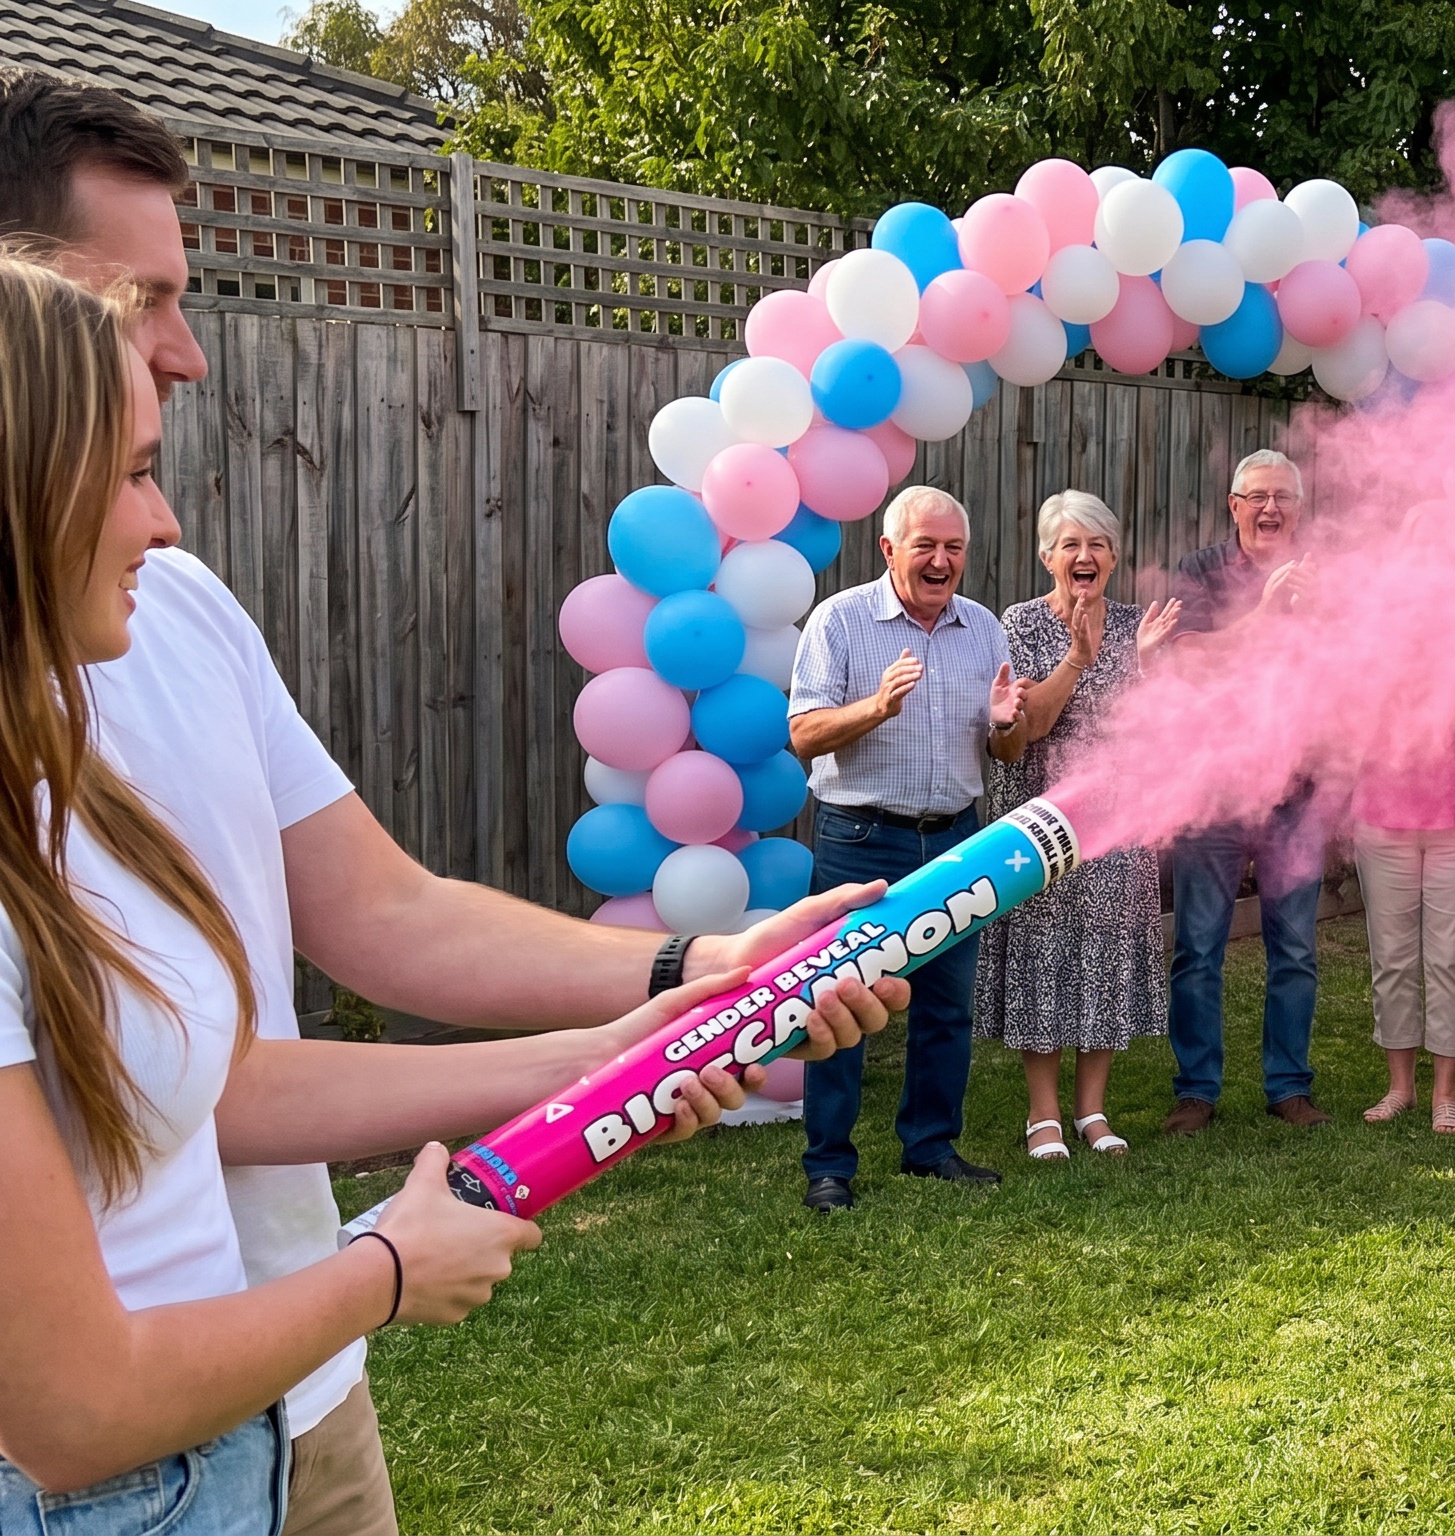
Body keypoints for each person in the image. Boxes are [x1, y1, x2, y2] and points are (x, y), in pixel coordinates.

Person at [3, 68, 907, 1532]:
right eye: (133, 302)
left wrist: (666, 995)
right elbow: (70, 1402)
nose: (188, 351)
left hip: (288, 1406)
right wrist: (391, 1262)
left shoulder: (172, 612)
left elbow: (328, 964)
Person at [789, 485, 1025, 1208]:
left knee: (947, 1005)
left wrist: (1009, 725)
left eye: (953, 547)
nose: (941, 560)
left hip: (957, 836)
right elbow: (803, 734)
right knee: (842, 1004)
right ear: (889, 549)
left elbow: (1006, 748)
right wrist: (876, 707)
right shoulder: (841, 622)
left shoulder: (983, 628)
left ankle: (929, 1147)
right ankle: (829, 1164)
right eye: (925, 545)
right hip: (862, 841)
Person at [974, 491, 1180, 1159]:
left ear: (1114, 557)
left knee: (1103, 958)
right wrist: (1079, 659)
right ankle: (1043, 1114)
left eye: (1097, 544)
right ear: (1047, 557)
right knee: (1043, 954)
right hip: (1041, 815)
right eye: (1070, 545)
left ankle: (1092, 1111)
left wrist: (1149, 668)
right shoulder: (1023, 624)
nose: (1084, 556)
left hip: (1117, 823)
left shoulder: (1134, 626)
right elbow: (1025, 730)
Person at [1161, 448, 1332, 1133]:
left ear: (1299, 507)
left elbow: (1359, 665)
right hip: (1218, 786)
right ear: (1233, 506)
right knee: (1198, 945)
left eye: (1282, 498)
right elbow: (1190, 658)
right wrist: (1266, 613)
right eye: (1256, 496)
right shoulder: (1200, 572)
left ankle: (1288, 1085)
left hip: (1298, 787)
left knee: (1295, 946)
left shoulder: (1326, 578)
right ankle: (1196, 1090)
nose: (1269, 509)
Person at [1353, 708, 1455, 1134]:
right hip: (1382, 816)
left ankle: (1446, 1095)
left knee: (1452, 960)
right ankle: (1401, 1088)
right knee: (1391, 957)